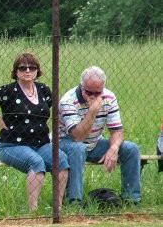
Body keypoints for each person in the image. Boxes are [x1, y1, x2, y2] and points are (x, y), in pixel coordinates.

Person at [0, 52, 70, 211]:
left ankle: (57, 208)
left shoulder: (44, 90)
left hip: (40, 144)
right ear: (16, 71)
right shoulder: (8, 91)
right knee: (36, 162)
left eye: (32, 68)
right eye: (23, 68)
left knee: (62, 160)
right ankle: (33, 210)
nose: (27, 71)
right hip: (11, 145)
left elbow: (52, 111)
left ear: (37, 71)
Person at [58, 66, 141, 205]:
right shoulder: (68, 101)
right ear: (81, 86)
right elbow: (78, 137)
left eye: (98, 93)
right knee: (79, 148)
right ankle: (74, 202)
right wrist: (92, 112)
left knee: (131, 149)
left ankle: (132, 200)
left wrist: (113, 149)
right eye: (89, 92)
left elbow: (117, 131)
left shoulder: (109, 97)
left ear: (103, 88)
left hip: (95, 143)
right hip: (66, 143)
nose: (93, 97)